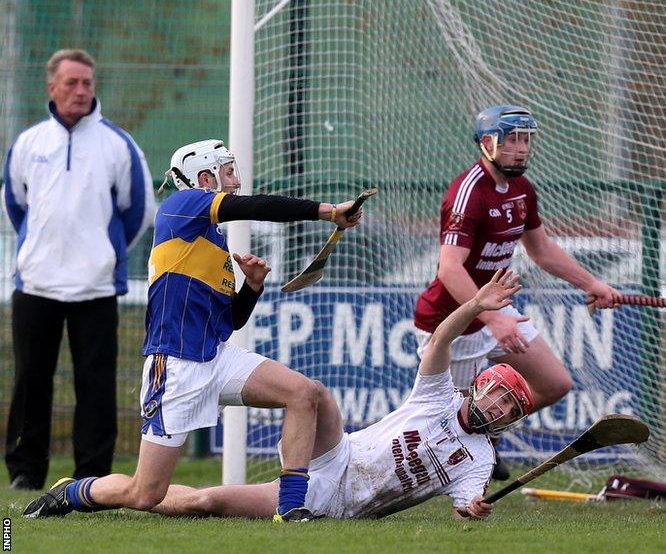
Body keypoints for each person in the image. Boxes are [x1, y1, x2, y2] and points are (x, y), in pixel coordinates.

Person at [22, 139, 363, 522]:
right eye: (228, 171)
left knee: (305, 393)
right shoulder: (181, 207)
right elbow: (254, 206)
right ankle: (72, 491)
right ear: (205, 178)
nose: (235, 181)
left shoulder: (213, 241)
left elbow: (230, 321)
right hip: (176, 366)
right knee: (145, 493)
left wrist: (251, 286)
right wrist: (327, 211)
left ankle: (291, 508)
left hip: (216, 357)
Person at [25, 269, 533, 522]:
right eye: (500, 396)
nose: (500, 409)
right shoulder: (438, 396)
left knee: (202, 501)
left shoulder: (481, 460)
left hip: (337, 505)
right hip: (338, 453)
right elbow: (442, 339)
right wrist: (476, 303)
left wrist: (471, 511)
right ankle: (292, 510)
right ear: (480, 385)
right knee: (312, 393)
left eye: (510, 410)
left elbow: (467, 502)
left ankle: (75, 490)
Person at [413, 105, 620, 480]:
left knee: (555, 384)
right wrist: (493, 318)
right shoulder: (469, 193)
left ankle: (486, 436)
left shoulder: (522, 190)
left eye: (526, 139)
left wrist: (592, 284)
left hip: (493, 313)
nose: (521, 148)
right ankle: (449, 471)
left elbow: (541, 250)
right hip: (454, 323)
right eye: (512, 140)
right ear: (488, 143)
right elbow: (449, 268)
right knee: (448, 423)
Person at [2, 48, 156, 491]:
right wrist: (42, 248)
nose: (81, 91)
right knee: (31, 382)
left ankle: (92, 478)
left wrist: (102, 253)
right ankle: (25, 474)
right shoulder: (30, 143)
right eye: (71, 83)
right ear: (52, 87)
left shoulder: (117, 144)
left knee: (96, 386)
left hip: (95, 288)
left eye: (87, 83)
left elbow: (138, 211)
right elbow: (16, 205)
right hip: (36, 285)